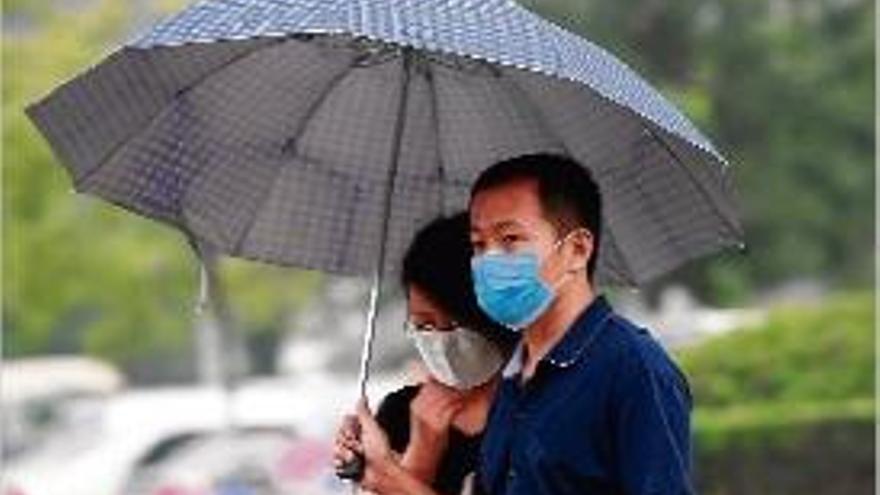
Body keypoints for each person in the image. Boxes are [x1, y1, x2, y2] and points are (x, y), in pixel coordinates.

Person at [468, 153, 694, 494]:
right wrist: (385, 472)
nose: (489, 260)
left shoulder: (635, 370)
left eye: (510, 239)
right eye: (478, 244)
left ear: (577, 249)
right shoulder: (513, 377)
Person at [334, 213, 516, 495]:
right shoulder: (398, 412)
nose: (442, 340)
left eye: (457, 322)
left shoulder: (542, 419)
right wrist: (421, 455)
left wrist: (391, 477)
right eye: (424, 324)